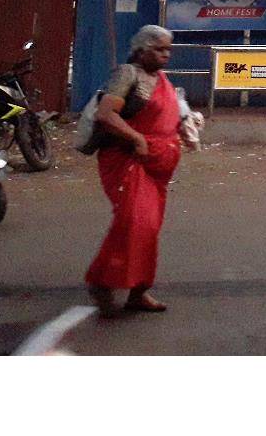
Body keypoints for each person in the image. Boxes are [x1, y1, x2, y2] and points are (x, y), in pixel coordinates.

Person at [85, 25, 181, 316]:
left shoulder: (161, 79)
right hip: (128, 160)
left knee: (149, 230)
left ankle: (139, 291)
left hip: (158, 167)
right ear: (141, 50)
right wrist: (137, 138)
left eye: (168, 50)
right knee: (135, 223)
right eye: (160, 49)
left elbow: (170, 114)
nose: (166, 55)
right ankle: (103, 281)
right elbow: (106, 114)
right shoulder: (127, 74)